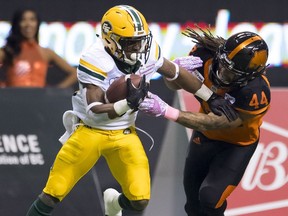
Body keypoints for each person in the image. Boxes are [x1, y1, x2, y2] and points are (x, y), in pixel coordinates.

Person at [25, 6, 237, 216]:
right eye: (131, 43)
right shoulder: (95, 58)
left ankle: (113, 203)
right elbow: (95, 108)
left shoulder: (148, 50)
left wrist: (210, 96)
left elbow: (175, 73)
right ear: (110, 39)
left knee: (139, 200)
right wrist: (128, 103)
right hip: (89, 131)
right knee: (52, 195)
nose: (138, 48)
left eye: (140, 41)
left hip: (124, 132)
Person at [139, 27, 270, 216]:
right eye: (223, 64)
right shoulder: (204, 55)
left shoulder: (255, 92)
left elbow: (212, 122)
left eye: (232, 73)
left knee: (209, 198)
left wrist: (167, 111)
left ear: (248, 76)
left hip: (236, 145)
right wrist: (175, 73)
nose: (223, 73)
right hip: (205, 137)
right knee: (192, 205)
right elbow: (173, 85)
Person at [0, 8, 77, 88]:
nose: (28, 24)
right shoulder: (8, 50)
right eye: (23, 20)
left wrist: (56, 91)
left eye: (32, 20)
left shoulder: (46, 52)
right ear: (17, 24)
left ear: (37, 24)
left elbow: (75, 73)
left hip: (39, 99)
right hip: (12, 99)